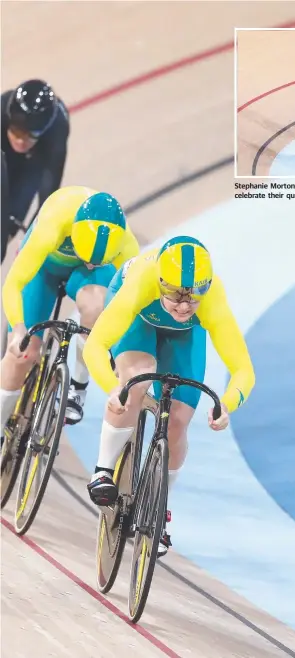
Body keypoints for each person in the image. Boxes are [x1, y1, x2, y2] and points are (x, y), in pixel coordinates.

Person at [83, 236, 255, 556]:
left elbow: (244, 370)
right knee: (135, 379)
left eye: (193, 297)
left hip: (184, 338)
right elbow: (95, 345)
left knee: (177, 421)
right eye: (175, 295)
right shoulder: (142, 284)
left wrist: (226, 404)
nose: (184, 305)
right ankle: (103, 470)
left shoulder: (213, 297)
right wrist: (112, 386)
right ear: (161, 283)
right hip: (137, 321)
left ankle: (160, 509)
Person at [0, 185, 140, 439]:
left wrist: (120, 350)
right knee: (22, 354)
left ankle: (78, 384)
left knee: (98, 307)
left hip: (87, 278)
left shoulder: (126, 244)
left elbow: (134, 304)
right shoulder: (54, 223)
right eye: (85, 255)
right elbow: (14, 283)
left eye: (96, 260)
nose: (89, 261)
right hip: (45, 268)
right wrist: (18, 328)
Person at [1, 79, 70, 264]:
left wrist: (32, 245)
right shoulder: (1, 110)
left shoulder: (57, 131)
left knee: (6, 228)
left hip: (35, 160)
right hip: (4, 152)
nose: (21, 141)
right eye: (16, 131)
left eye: (30, 135)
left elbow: (48, 199)